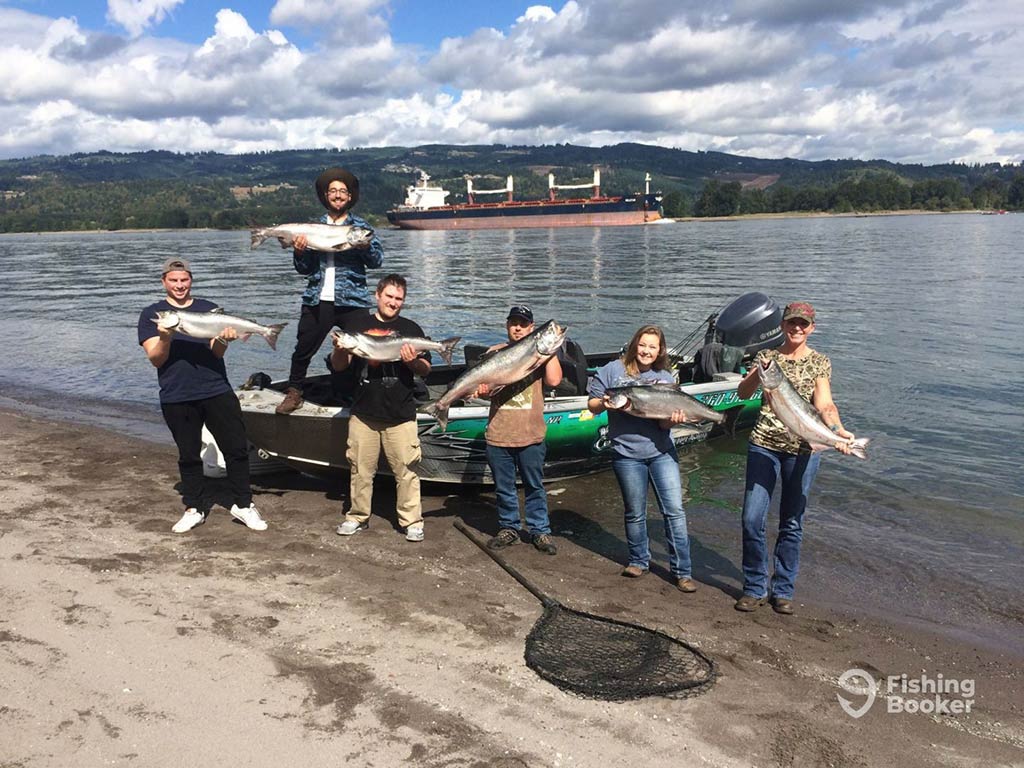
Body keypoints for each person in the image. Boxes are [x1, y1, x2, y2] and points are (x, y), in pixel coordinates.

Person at [734, 301, 855, 615]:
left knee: (791, 523)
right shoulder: (767, 358)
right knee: (751, 519)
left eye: (803, 324)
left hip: (803, 450)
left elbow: (825, 405)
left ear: (812, 327)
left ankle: (783, 590)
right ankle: (754, 587)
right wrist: (756, 377)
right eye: (792, 323)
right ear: (783, 325)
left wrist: (837, 432)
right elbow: (743, 394)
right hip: (764, 445)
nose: (797, 329)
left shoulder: (819, 362)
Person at [138, 258, 267, 533]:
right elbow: (156, 360)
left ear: (191, 280)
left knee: (235, 449)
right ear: (164, 282)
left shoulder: (208, 309)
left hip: (216, 389)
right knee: (188, 454)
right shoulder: (153, 314)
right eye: (173, 280)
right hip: (177, 394)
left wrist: (224, 339)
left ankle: (244, 504)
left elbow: (216, 352)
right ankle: (194, 507)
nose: (179, 285)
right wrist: (165, 337)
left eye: (184, 280)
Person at [587, 325, 697, 592]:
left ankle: (682, 571)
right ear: (635, 344)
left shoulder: (664, 376)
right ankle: (638, 560)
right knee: (635, 512)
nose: (647, 351)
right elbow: (591, 404)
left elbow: (662, 427)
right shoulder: (612, 370)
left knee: (674, 512)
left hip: (661, 453)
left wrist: (672, 421)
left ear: (659, 351)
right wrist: (604, 402)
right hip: (626, 454)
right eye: (643, 344)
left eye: (653, 347)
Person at [329, 274, 430, 542]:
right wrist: (340, 348)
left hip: (401, 413)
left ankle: (412, 521)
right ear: (377, 295)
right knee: (360, 470)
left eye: (399, 299)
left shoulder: (411, 328)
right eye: (389, 297)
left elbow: (426, 369)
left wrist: (412, 362)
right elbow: (339, 365)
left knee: (407, 471)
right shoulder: (357, 324)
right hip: (363, 412)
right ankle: (357, 516)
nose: (393, 303)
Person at [277, 167, 384, 414]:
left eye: (342, 191)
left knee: (360, 349)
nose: (337, 195)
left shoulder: (362, 227)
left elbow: (377, 260)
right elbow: (303, 269)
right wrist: (299, 251)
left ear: (349, 197)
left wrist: (363, 246)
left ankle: (355, 392)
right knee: (303, 348)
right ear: (326, 196)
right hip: (317, 298)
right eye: (333, 191)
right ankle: (294, 392)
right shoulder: (311, 227)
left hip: (353, 300)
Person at [476, 305, 563, 555]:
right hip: (499, 433)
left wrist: (551, 350)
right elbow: (485, 389)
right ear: (507, 326)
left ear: (531, 328)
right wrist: (481, 390)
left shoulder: (540, 354)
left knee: (534, 485)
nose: (517, 327)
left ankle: (539, 530)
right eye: (513, 323)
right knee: (504, 487)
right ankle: (509, 527)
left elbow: (554, 381)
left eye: (523, 324)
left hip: (531, 433)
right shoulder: (495, 352)